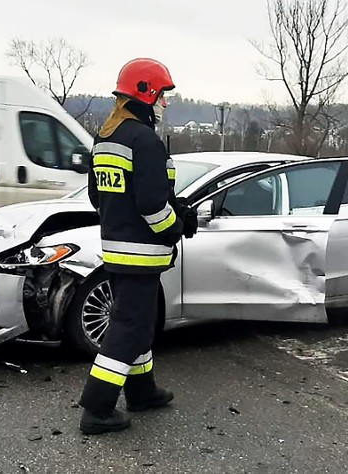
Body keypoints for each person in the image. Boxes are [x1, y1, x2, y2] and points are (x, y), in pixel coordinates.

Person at [79, 58, 198, 434]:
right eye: (163, 96)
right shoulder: (145, 140)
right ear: (146, 93)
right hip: (142, 253)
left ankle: (142, 391)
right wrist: (175, 226)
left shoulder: (107, 137)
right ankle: (97, 408)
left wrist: (175, 208)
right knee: (128, 328)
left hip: (116, 249)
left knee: (140, 324)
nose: (166, 104)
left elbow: (99, 198)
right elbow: (151, 206)